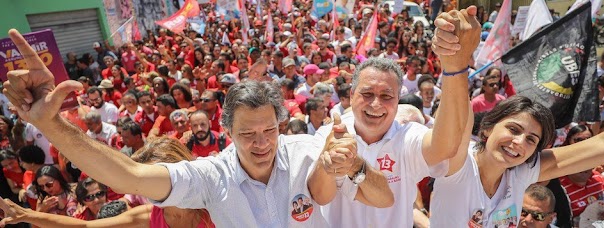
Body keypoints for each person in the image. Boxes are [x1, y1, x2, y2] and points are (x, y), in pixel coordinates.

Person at [0, 31, 393, 226]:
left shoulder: (308, 148)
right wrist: (51, 124)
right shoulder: (210, 178)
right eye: (247, 134)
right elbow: (127, 174)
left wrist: (356, 165)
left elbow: (385, 201)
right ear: (227, 131)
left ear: (279, 123)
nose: (262, 144)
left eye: (269, 131)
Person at [429, 6, 604, 227]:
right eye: (513, 129)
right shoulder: (457, 163)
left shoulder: (521, 173)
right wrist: (456, 61)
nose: (519, 142)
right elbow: (459, 120)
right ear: (488, 128)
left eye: (531, 139)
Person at [312, 56, 460, 226]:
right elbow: (319, 196)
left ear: (398, 99)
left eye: (386, 96)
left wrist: (455, 67)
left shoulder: (408, 136)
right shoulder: (327, 136)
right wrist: (327, 162)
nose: (375, 104)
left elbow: (446, 146)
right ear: (352, 95)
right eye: (367, 94)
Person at [0, 137, 215, 228]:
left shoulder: (216, 202)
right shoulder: (151, 215)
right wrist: (26, 215)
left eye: (157, 176)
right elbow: (85, 226)